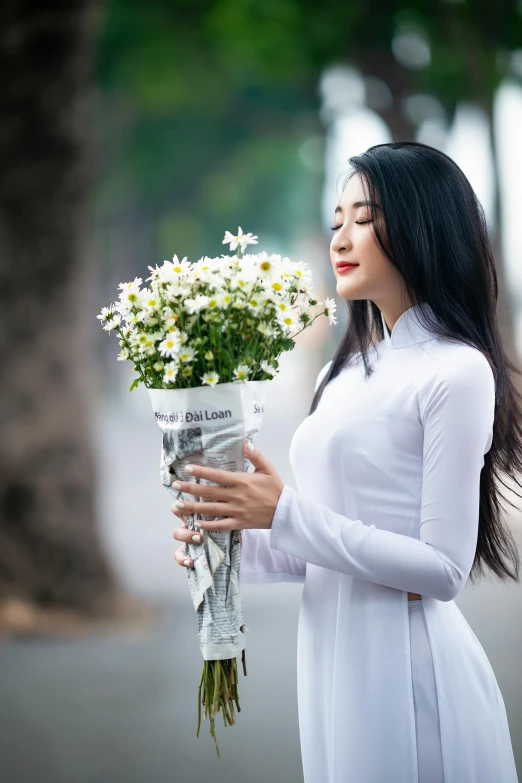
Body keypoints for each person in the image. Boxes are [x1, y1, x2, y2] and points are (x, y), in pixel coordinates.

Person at [172, 141, 521, 782]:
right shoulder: (347, 372)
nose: (342, 235)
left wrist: (283, 512)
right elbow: (321, 547)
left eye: (365, 217)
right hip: (331, 664)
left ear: (423, 225)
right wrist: (231, 542)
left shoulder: (456, 370)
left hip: (410, 669)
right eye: (338, 220)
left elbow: (441, 570)